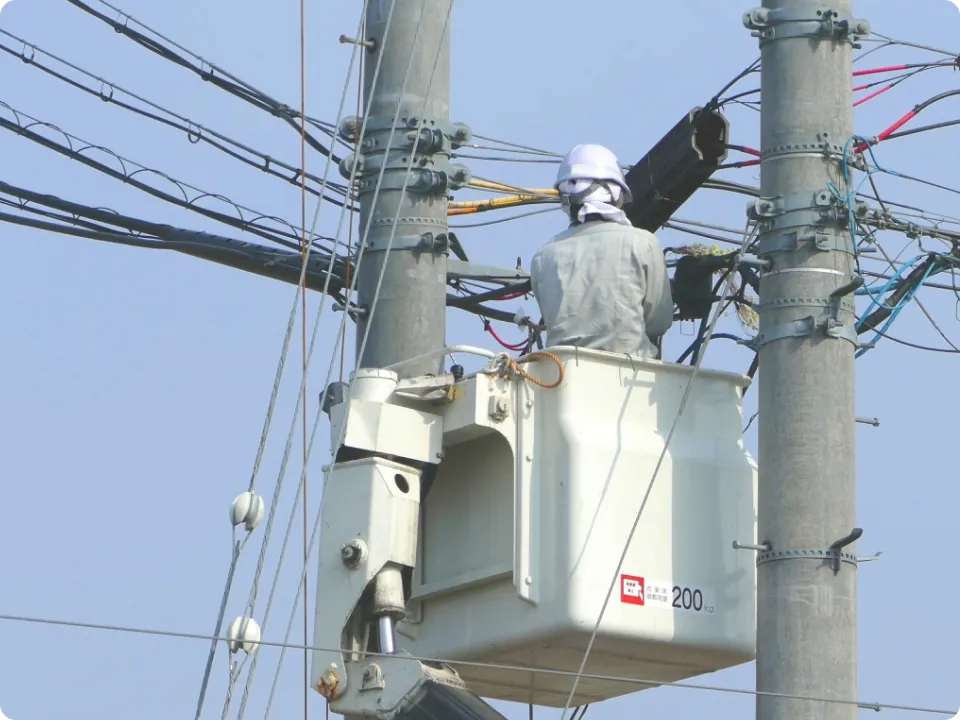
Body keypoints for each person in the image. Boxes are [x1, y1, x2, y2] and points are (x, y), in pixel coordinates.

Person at [529, 144, 674, 359]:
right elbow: (659, 322)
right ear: (617, 194)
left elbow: (551, 320)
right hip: (630, 375)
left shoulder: (543, 256)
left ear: (565, 199)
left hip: (561, 377)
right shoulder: (643, 243)